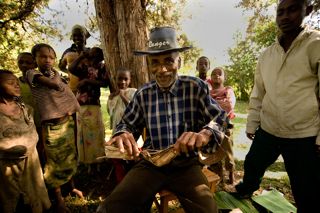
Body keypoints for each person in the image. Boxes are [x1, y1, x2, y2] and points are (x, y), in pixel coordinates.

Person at [97, 26, 224, 213]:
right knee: (111, 208)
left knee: (208, 209)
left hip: (186, 165)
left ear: (179, 62)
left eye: (168, 61)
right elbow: (127, 123)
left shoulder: (195, 87)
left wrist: (205, 134)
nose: (162, 69)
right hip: (151, 165)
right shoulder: (143, 94)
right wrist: (122, 133)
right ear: (149, 64)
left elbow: (219, 117)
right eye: (154, 62)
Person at [233, 0, 320, 212]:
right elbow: (259, 92)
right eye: (280, 12)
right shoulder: (267, 54)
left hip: (303, 134)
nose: (285, 17)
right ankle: (247, 187)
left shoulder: (315, 44)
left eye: (292, 10)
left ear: (307, 10)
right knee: (253, 163)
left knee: (305, 187)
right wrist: (252, 123)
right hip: (269, 129)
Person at [26, 43, 83, 212]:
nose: (48, 60)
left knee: (70, 156)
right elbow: (55, 85)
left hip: (68, 122)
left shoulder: (53, 73)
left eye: (51, 57)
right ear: (35, 60)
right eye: (43, 57)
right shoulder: (32, 74)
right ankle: (58, 199)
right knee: (53, 161)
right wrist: (58, 75)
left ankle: (70, 187)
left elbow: (64, 92)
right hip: (52, 126)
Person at [0, 70, 51, 213]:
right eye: (10, 83)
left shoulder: (25, 108)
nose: (16, 86)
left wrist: (30, 144)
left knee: (32, 189)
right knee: (9, 195)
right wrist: (7, 148)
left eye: (17, 83)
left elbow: (32, 131)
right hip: (6, 164)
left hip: (31, 160)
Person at [68, 47, 112, 173]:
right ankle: (86, 162)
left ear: (101, 57)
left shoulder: (102, 67)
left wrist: (88, 80)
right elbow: (71, 69)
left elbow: (104, 83)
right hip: (81, 104)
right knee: (83, 132)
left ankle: (98, 160)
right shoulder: (83, 66)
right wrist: (81, 56)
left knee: (96, 133)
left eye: (97, 56)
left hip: (94, 103)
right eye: (92, 55)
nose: (94, 58)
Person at [107, 67, 137, 183]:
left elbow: (133, 109)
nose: (122, 82)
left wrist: (122, 95)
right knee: (117, 157)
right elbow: (110, 113)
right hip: (117, 132)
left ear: (130, 80)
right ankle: (121, 182)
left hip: (131, 133)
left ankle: (132, 182)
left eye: (126, 79)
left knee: (131, 156)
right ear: (115, 79)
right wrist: (114, 96)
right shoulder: (112, 96)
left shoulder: (133, 92)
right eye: (120, 79)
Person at [17, 52, 45, 167]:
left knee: (42, 147)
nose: (24, 65)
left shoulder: (41, 82)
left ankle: (42, 170)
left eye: (28, 62)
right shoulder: (15, 83)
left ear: (35, 64)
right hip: (24, 123)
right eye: (21, 62)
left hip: (41, 120)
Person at [209, 67, 236, 184]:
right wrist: (220, 103)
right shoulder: (207, 91)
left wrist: (212, 103)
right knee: (214, 149)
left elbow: (229, 106)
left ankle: (231, 173)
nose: (216, 75)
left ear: (224, 77)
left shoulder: (228, 90)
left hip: (226, 124)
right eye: (214, 74)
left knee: (228, 149)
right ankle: (218, 174)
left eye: (220, 74)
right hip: (211, 125)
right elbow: (205, 106)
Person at [59, 24, 91, 94]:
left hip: (88, 91)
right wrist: (69, 72)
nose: (77, 38)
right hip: (71, 89)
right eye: (74, 35)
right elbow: (61, 66)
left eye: (80, 35)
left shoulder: (90, 52)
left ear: (85, 36)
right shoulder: (68, 51)